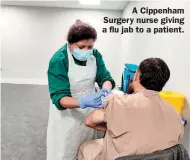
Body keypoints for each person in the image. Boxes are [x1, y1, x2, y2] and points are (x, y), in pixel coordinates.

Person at [78, 58, 184, 160]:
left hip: (120, 157)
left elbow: (90, 121)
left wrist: (115, 127)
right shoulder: (174, 114)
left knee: (87, 148)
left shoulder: (119, 103)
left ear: (136, 75)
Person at [46, 20, 115, 160]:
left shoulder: (95, 55)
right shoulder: (59, 60)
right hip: (67, 113)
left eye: (90, 46)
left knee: (87, 146)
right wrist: (82, 102)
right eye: (81, 46)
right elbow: (60, 97)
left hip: (90, 109)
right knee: (66, 150)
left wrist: (105, 90)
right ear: (70, 44)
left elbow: (105, 77)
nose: (86, 51)